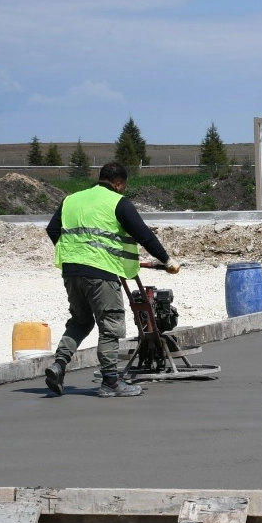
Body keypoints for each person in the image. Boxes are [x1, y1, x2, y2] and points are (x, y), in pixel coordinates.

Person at [42, 161, 179, 398]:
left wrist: (74, 253)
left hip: (71, 270)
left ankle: (59, 365)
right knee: (110, 324)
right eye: (123, 186)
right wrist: (167, 260)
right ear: (118, 183)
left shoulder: (70, 200)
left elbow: (52, 230)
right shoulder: (117, 202)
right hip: (101, 271)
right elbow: (143, 234)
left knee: (80, 321)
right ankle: (110, 382)